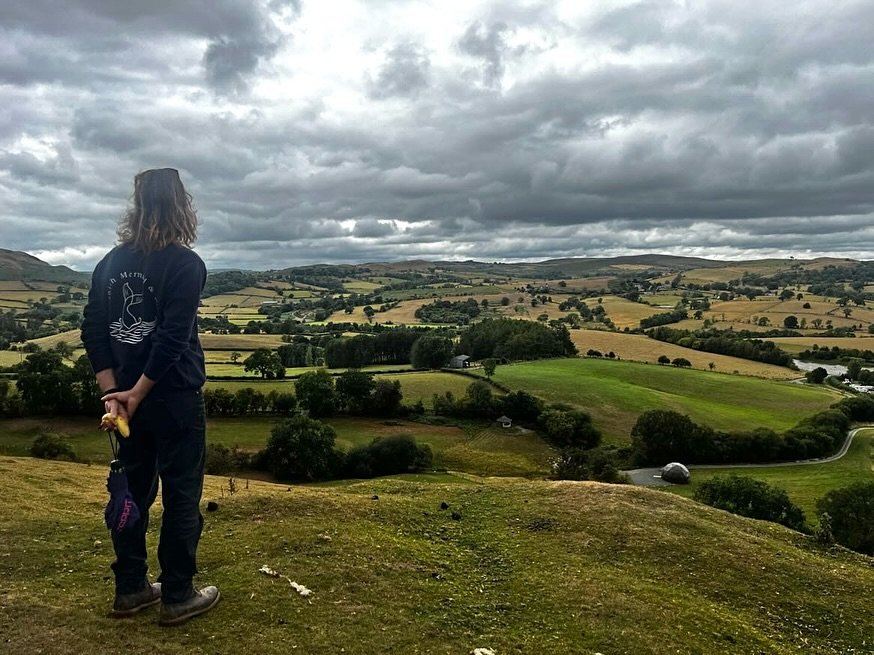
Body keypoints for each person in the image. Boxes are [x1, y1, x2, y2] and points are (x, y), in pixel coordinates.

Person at [81, 168, 220, 626]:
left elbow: (94, 331)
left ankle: (131, 589)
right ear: (182, 206)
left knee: (130, 494)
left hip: (124, 404)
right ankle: (177, 594)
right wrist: (135, 394)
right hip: (174, 398)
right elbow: (172, 339)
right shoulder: (185, 265)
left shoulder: (108, 265)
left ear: (137, 207)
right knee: (182, 495)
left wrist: (113, 396)